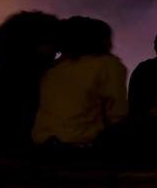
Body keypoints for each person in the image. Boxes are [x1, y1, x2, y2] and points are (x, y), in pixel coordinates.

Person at [0, 11, 61, 150]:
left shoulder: (6, 64)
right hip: (15, 146)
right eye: (52, 42)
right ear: (34, 42)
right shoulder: (27, 69)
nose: (56, 50)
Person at [32, 16, 128, 146]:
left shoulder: (53, 67)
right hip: (80, 142)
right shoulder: (108, 64)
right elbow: (117, 112)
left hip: (42, 141)